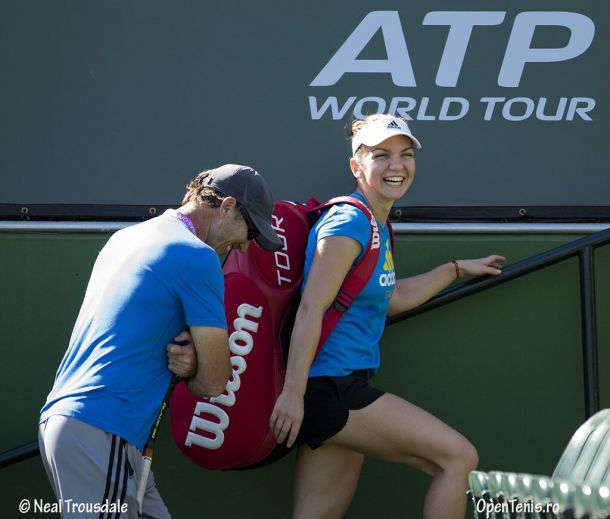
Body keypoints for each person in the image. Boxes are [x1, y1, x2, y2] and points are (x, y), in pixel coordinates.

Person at [268, 114, 506, 519]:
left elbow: (392, 297)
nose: (397, 165)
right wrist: (292, 395)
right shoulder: (349, 222)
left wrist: (454, 269)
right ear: (356, 166)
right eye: (382, 155)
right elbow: (312, 307)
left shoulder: (375, 222)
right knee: (458, 459)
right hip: (328, 388)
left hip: (335, 386)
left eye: (405, 154)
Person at [39, 164, 282, 518]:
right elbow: (214, 381)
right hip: (102, 432)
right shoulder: (196, 256)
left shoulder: (126, 237)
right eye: (250, 229)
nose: (246, 245)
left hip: (83, 429)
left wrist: (193, 360)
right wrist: (198, 365)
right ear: (227, 207)